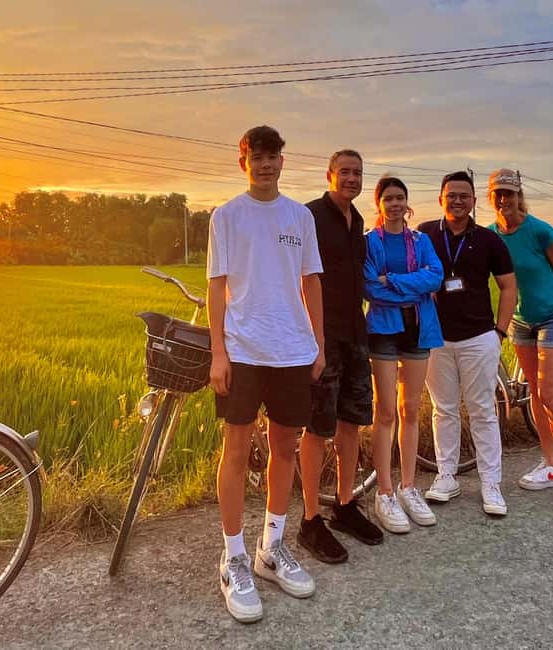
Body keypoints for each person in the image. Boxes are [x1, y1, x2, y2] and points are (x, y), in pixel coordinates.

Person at [207, 125, 326, 623]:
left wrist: (318, 344)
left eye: (273, 156)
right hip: (242, 349)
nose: (265, 164)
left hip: (292, 350)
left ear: (282, 161)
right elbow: (216, 286)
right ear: (244, 163)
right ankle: (233, 557)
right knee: (236, 451)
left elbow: (311, 281)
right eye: (256, 157)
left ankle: (271, 548)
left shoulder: (299, 216)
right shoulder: (226, 216)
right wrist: (218, 352)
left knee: (285, 449)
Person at [298, 150, 384, 563]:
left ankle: (345, 505)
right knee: (318, 427)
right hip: (322, 337)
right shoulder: (310, 216)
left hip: (355, 333)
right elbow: (300, 278)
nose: (352, 178)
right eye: (345, 172)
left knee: (352, 421)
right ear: (329, 175)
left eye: (358, 173)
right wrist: (312, 339)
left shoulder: (358, 220)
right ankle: (309, 518)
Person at [486, 168, 553, 517]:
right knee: (534, 394)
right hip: (521, 320)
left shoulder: (541, 231)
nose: (503, 199)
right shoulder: (491, 236)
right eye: (498, 193)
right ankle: (551, 465)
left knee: (551, 396)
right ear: (491, 197)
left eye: (509, 193)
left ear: (519, 196)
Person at [419, 171, 517, 516]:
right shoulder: (425, 235)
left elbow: (508, 287)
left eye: (464, 195)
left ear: (474, 201)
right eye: (451, 195)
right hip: (436, 338)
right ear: (441, 199)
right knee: (443, 409)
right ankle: (446, 475)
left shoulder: (490, 241)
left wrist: (499, 333)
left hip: (479, 337)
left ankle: (491, 482)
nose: (457, 201)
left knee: (482, 411)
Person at [363, 176, 444, 534]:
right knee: (384, 412)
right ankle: (384, 491)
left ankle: (408, 486)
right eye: (389, 199)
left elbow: (435, 277)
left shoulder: (421, 241)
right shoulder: (370, 242)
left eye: (400, 198)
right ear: (379, 204)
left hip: (418, 328)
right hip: (383, 329)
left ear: (407, 203)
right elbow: (370, 288)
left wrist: (392, 280)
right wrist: (411, 286)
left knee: (410, 409)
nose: (395, 204)